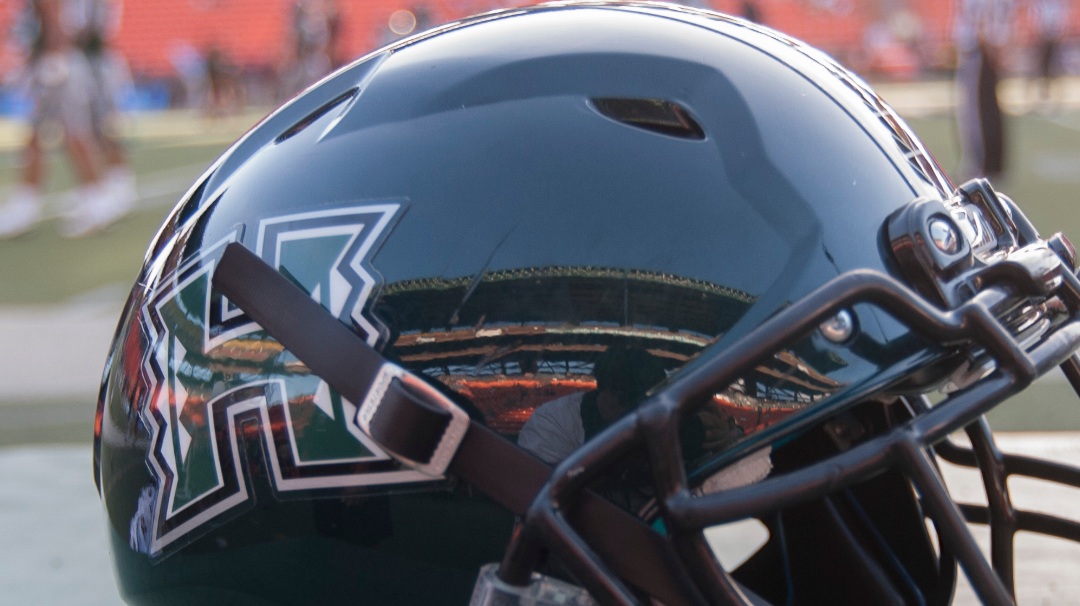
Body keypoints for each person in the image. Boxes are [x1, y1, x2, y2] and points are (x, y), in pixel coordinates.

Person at [0, 0, 131, 238]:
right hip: (67, 57)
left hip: (58, 60)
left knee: (69, 132)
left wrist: (55, 54)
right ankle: (31, 202)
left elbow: (54, 16)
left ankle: (94, 197)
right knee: (46, 133)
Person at [953, 0, 1014, 181]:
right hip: (986, 48)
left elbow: (980, 16)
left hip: (978, 50)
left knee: (976, 113)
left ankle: (981, 164)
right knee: (989, 109)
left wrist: (986, 42)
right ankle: (994, 164)